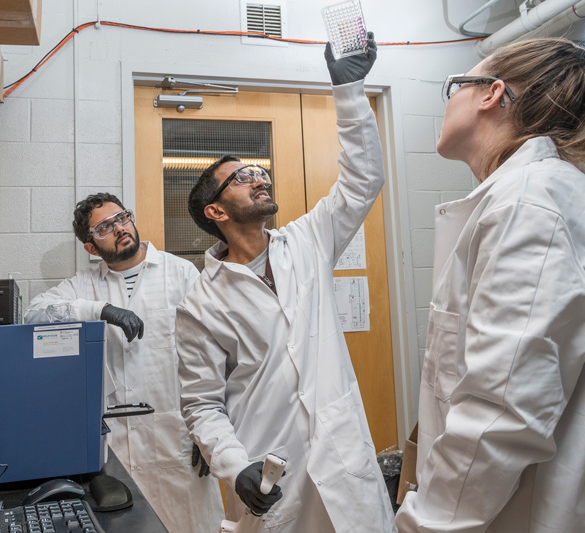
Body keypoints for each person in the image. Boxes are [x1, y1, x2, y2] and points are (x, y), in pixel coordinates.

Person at [176, 33, 395, 532]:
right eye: (242, 177)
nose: (260, 178)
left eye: (259, 169)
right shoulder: (200, 303)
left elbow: (363, 179)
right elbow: (202, 404)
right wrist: (233, 467)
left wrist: (350, 89)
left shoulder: (309, 241)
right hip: (270, 470)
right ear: (216, 211)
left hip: (343, 458)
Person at [395, 38, 585, 532]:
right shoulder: (518, 197)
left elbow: (503, 410)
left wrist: (426, 523)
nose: (449, 100)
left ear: (492, 93)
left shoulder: (531, 201)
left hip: (513, 511)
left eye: (454, 86)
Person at [24, 193, 224, 533]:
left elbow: (214, 354)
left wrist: (212, 434)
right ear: (91, 247)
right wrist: (98, 311)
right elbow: (33, 314)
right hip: (118, 448)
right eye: (104, 227)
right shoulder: (85, 286)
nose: (119, 228)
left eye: (122, 218)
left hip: (179, 438)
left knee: (195, 525)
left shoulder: (181, 274)